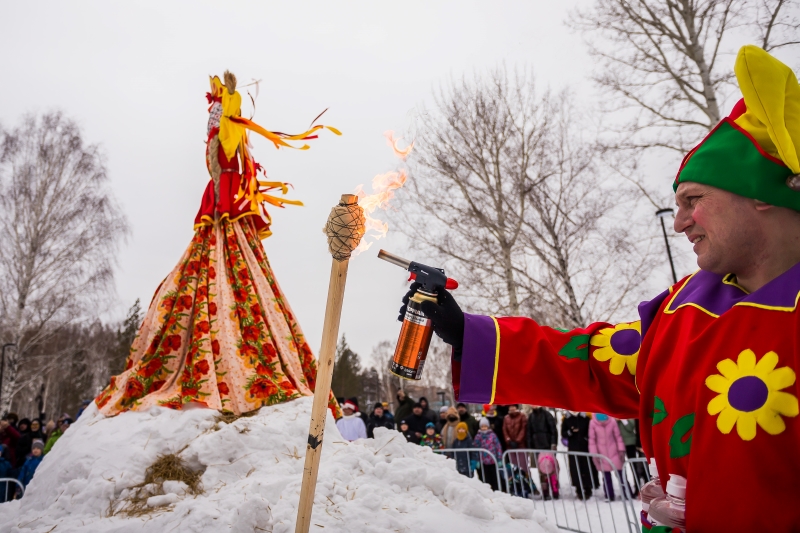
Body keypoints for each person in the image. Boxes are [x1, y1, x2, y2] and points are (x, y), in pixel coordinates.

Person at [398, 46, 800, 530]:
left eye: (694, 200)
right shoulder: (682, 310)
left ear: (760, 195)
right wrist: (466, 332)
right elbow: (590, 362)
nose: (680, 223)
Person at [92, 71, 342, 419]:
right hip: (224, 214)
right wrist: (225, 107)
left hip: (231, 215)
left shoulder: (235, 158)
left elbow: (219, 152)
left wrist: (227, 107)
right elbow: (217, 155)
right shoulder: (228, 155)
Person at [588, 414, 630, 502]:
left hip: (614, 452)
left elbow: (618, 436)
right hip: (602, 454)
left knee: (621, 475)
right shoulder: (592, 423)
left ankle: (626, 493)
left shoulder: (612, 421)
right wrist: (594, 453)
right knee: (606, 477)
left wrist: (621, 450)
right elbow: (592, 439)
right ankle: (609, 495)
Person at [527, 405, 559, 499]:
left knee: (552, 469)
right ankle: (545, 492)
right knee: (542, 470)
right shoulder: (531, 417)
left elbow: (553, 430)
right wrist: (530, 446)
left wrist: (553, 443)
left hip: (548, 445)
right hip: (537, 446)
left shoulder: (547, 415)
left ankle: (555, 489)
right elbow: (529, 432)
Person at [562, 411, 593, 500]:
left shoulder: (585, 418)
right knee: (575, 468)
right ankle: (578, 488)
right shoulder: (567, 419)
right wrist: (570, 431)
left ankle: (588, 488)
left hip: (584, 447)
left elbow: (590, 431)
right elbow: (563, 433)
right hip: (573, 447)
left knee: (586, 468)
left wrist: (586, 438)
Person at [617, 418, 646, 495]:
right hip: (619, 445)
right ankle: (627, 489)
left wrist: (622, 420)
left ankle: (638, 487)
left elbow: (630, 427)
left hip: (630, 443)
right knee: (622, 467)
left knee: (634, 467)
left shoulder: (628, 417)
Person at [473, 417, 502, 491]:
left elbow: (498, 447)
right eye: (482, 426)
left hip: (492, 460)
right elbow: (476, 448)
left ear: (488, 426)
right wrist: (477, 460)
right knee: (485, 477)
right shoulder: (478, 436)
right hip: (483, 461)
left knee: (494, 476)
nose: (484, 428)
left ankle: (496, 489)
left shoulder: (493, 435)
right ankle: (487, 490)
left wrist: (499, 459)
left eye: (485, 426)